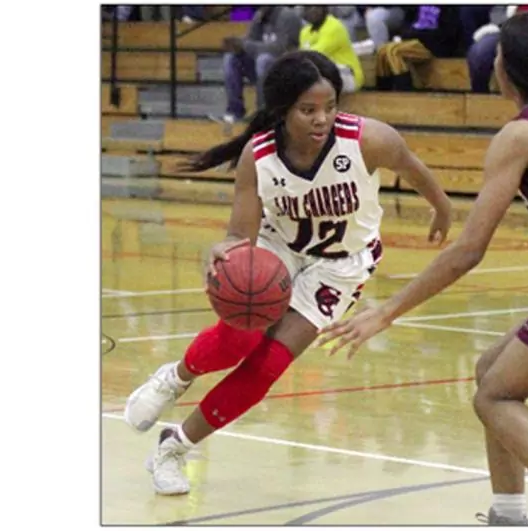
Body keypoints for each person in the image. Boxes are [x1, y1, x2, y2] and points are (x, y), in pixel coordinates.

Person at [123, 50, 455, 496]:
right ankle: (176, 377)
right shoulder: (258, 157)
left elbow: (414, 169)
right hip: (278, 248)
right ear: (283, 110)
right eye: (308, 110)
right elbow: (239, 234)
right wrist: (225, 248)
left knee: (269, 365)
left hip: (340, 264)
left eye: (330, 107)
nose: (322, 119)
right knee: (239, 339)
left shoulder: (368, 139)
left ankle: (174, 446)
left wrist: (442, 208)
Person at [317, 11, 528, 526]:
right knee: (489, 372)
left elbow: (469, 250)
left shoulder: (522, 135)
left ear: (511, 68)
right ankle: (508, 514)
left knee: (495, 396)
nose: (492, 62)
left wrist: (386, 311)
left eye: (498, 55)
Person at [217, 6, 302, 125]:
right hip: (262, 70)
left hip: (286, 71)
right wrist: (237, 46)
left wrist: (245, 45)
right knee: (231, 58)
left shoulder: (287, 16)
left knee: (263, 59)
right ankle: (235, 111)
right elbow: (249, 42)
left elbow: (281, 49)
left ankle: (264, 112)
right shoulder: (259, 16)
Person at [300, 6, 364, 93]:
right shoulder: (304, 32)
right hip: (324, 73)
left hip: (348, 75)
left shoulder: (334, 26)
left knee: (316, 71)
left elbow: (316, 54)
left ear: (325, 9)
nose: (312, 10)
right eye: (307, 8)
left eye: (316, 7)